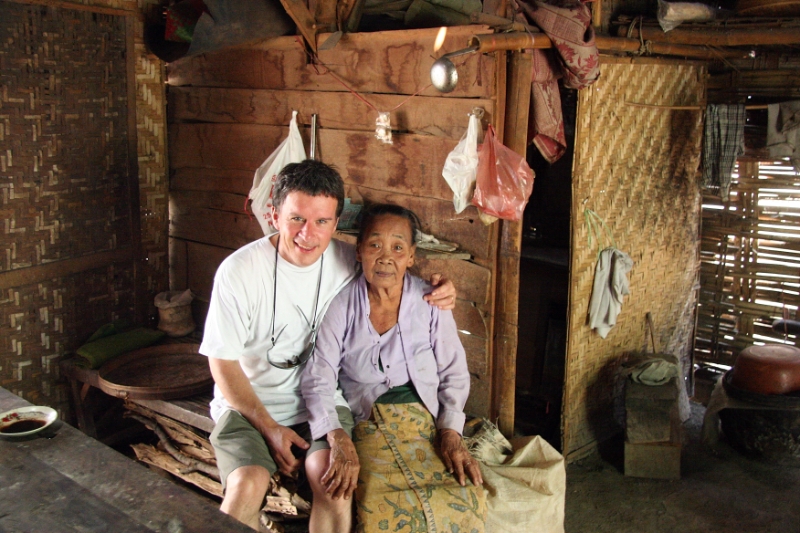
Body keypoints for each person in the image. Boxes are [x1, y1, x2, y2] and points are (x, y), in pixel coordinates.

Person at [199, 160, 457, 532]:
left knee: (332, 480)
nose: (309, 234)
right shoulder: (239, 272)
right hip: (248, 407)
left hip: (319, 405)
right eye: (297, 219)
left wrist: (443, 289)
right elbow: (222, 364)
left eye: (322, 222)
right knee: (247, 484)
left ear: (337, 224)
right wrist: (269, 427)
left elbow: (393, 269)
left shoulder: (345, 260)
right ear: (273, 214)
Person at [301, 203, 486, 533]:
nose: (385, 257)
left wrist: (451, 430)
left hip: (424, 425)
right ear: (359, 252)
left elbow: (454, 370)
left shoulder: (431, 300)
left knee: (465, 498)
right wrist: (337, 435)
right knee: (379, 509)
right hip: (368, 425)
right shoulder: (342, 305)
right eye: (375, 245)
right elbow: (319, 375)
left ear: (411, 256)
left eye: (398, 247)